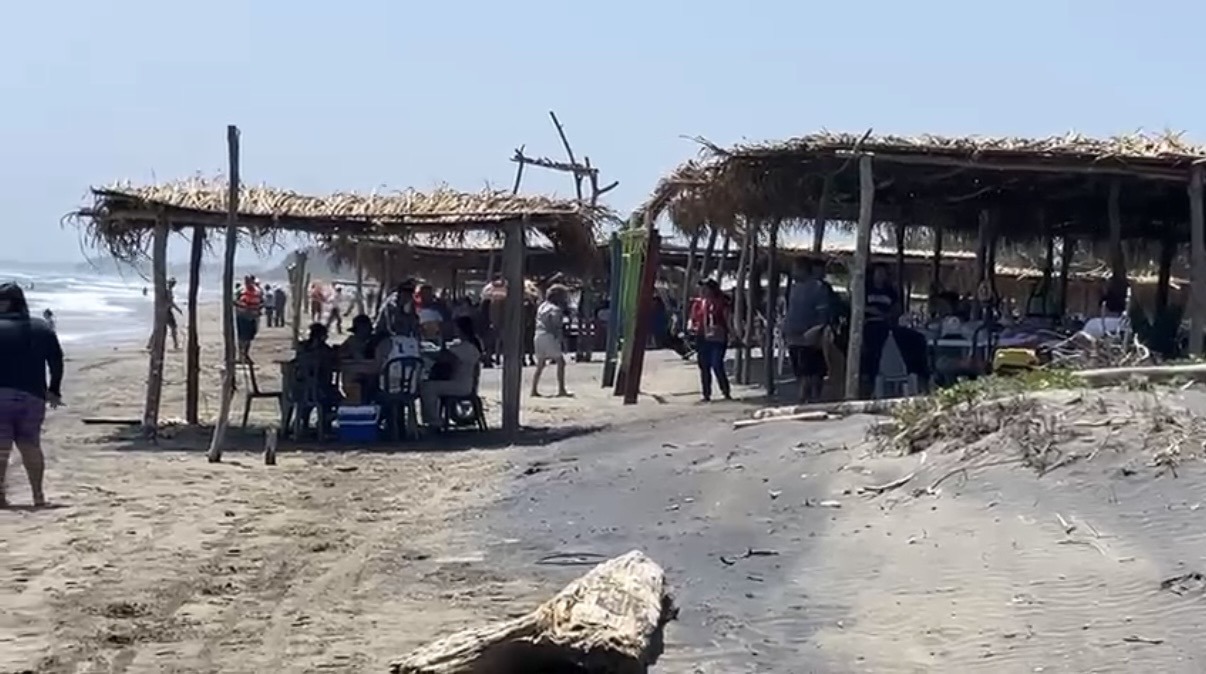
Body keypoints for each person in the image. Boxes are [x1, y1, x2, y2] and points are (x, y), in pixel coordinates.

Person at [0, 283, 63, 507]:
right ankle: (38, 495)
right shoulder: (42, 328)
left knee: (1, 449)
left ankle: (0, 497)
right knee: (30, 445)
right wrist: (54, 390)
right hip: (33, 397)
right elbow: (56, 361)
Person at [783, 260, 841, 402]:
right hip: (793, 337)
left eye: (796, 269)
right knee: (800, 372)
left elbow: (824, 314)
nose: (793, 273)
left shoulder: (818, 288)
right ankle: (807, 399)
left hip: (809, 337)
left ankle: (806, 400)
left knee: (810, 373)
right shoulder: (794, 288)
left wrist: (816, 331)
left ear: (804, 270)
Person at [420, 316, 484, 427]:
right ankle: (436, 418)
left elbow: (443, 357)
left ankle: (433, 421)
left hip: (460, 385)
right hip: (464, 383)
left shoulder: (465, 347)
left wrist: (442, 340)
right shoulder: (471, 345)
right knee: (432, 385)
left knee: (427, 388)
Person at [687, 279, 734, 402]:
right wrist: (691, 327)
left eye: (705, 288)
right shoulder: (698, 304)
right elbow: (692, 319)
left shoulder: (721, 303)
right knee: (704, 365)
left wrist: (732, 334)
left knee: (716, 363)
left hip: (717, 338)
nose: (702, 291)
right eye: (701, 288)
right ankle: (706, 394)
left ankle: (725, 391)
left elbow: (727, 319)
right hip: (702, 337)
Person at [530, 285, 571, 397]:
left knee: (540, 364)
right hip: (549, 335)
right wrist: (561, 341)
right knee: (561, 362)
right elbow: (556, 326)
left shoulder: (542, 306)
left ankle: (533, 390)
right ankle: (561, 389)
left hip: (538, 335)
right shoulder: (555, 309)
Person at [234, 275, 263, 361]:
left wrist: (256, 309)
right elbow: (234, 300)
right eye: (246, 280)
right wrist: (243, 306)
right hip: (242, 317)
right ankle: (241, 355)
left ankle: (246, 353)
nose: (248, 282)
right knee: (241, 337)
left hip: (252, 317)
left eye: (249, 280)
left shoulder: (258, 291)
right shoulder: (241, 290)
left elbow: (262, 302)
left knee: (249, 337)